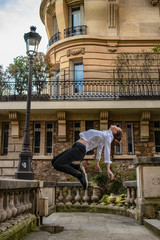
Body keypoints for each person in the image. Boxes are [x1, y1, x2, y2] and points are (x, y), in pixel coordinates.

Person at [51, 125, 122, 190]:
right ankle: (77, 167)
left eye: (117, 127)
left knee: (57, 164)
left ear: (115, 132)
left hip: (79, 150)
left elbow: (107, 151)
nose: (115, 125)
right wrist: (97, 163)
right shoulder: (104, 134)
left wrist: (108, 169)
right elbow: (99, 149)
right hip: (76, 147)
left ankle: (80, 176)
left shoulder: (109, 136)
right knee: (54, 161)